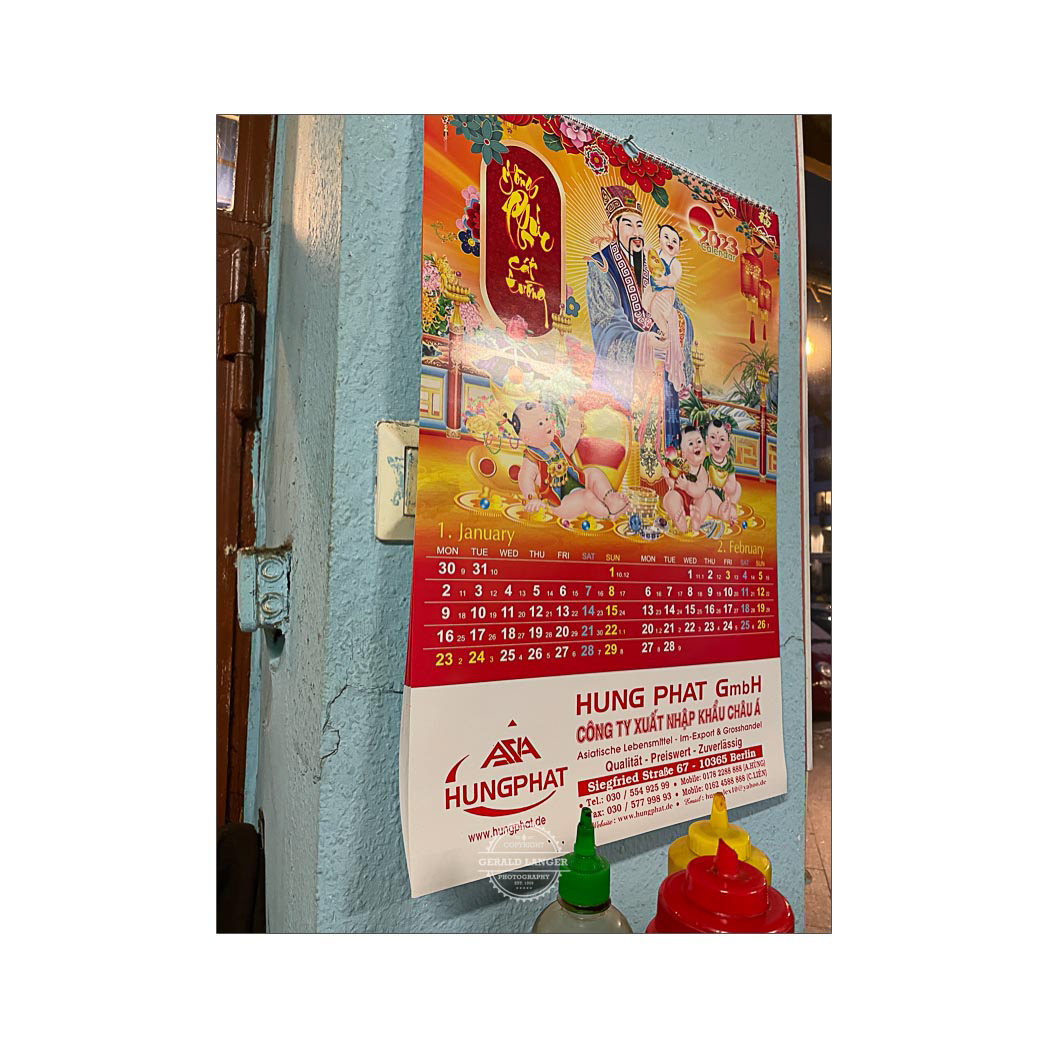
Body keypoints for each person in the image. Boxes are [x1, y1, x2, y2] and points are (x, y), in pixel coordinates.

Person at [586, 186, 694, 463]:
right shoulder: (601, 265)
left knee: (666, 457)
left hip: (661, 373)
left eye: (639, 225)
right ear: (614, 227)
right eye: (628, 224)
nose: (636, 232)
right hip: (627, 370)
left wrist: (676, 328)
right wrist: (643, 342)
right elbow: (604, 320)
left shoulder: (655, 264)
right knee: (621, 454)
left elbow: (678, 309)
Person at [510, 401, 630, 520]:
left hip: (578, 481)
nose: (547, 424)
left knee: (593, 473)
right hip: (562, 502)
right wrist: (532, 498)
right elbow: (524, 479)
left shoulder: (556, 444)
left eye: (546, 419)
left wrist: (575, 419)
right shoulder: (531, 459)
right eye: (540, 423)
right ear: (527, 438)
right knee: (586, 496)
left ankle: (611, 499)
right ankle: (608, 514)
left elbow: (570, 439)